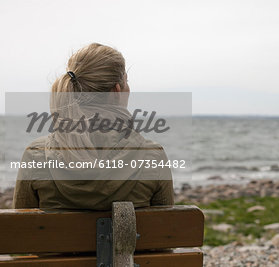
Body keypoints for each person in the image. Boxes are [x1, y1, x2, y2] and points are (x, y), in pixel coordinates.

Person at [13, 43, 174, 210]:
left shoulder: (36, 155)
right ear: (116, 91)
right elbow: (169, 232)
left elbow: (19, 230)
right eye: (127, 82)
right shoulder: (153, 157)